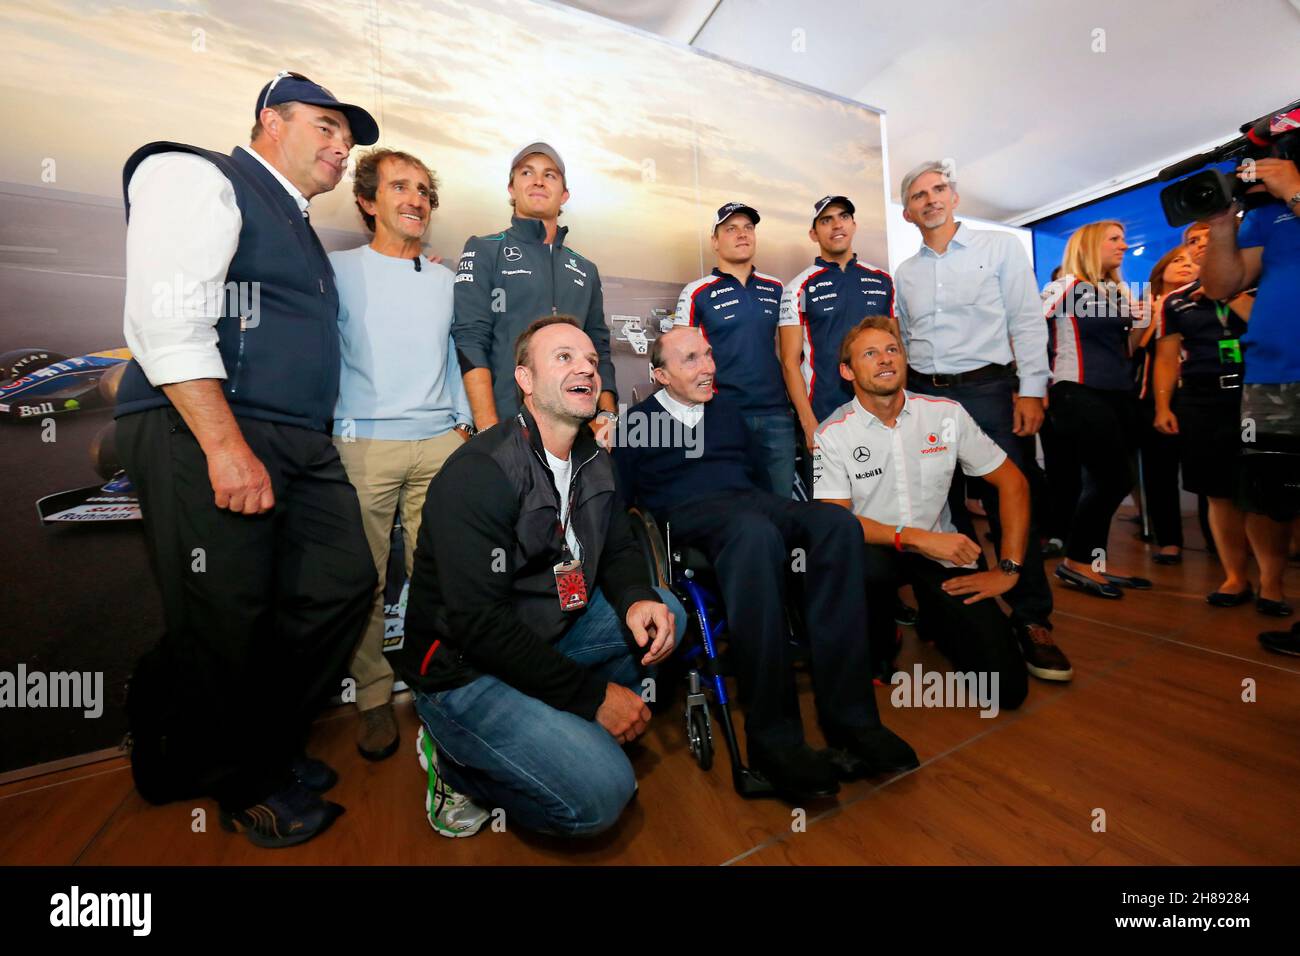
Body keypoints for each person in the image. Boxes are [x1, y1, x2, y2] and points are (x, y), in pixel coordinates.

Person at [114, 72, 380, 846]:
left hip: (297, 438)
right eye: (325, 127)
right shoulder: (198, 173)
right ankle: (244, 784)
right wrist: (224, 445)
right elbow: (165, 318)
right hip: (206, 424)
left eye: (348, 136)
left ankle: (236, 742)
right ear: (270, 122)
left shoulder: (298, 225)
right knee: (226, 614)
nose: (341, 146)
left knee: (339, 584)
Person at [396, 316, 684, 838]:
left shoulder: (595, 458)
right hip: (466, 673)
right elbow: (479, 626)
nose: (585, 369)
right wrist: (592, 698)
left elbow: (618, 545)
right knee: (601, 796)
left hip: (547, 630)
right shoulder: (480, 472)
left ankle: (566, 732)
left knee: (669, 612)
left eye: (592, 361)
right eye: (564, 358)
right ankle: (456, 766)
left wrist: (638, 596)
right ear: (525, 380)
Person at [617, 326, 918, 802]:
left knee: (837, 526)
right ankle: (774, 741)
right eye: (691, 359)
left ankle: (852, 722)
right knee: (753, 532)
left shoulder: (729, 413)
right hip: (688, 517)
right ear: (660, 374)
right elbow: (626, 506)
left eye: (709, 355)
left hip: (749, 504)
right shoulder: (637, 423)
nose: (709, 366)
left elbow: (760, 482)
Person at [893, 160, 1071, 681]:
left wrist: (1032, 389)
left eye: (939, 189)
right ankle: (957, 609)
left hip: (990, 390)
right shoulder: (905, 273)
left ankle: (1033, 619)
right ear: (907, 213)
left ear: (953, 196)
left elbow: (1025, 320)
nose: (931, 199)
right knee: (939, 508)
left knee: (1009, 500)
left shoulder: (1001, 249)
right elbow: (904, 341)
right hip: (925, 395)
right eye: (919, 195)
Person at [330, 148, 476, 761]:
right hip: (363, 442)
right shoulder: (335, 270)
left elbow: (455, 354)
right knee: (364, 579)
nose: (415, 199)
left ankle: (439, 688)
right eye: (399, 187)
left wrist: (465, 426)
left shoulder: (445, 279)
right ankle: (372, 699)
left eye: (423, 190)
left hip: (441, 441)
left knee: (443, 577)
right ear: (367, 201)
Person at [814, 317, 1032, 705]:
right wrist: (913, 537)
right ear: (847, 371)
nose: (885, 359)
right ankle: (882, 635)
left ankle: (935, 615)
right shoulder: (832, 434)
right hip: (876, 551)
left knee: (1006, 688)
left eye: (892, 350)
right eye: (870, 353)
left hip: (940, 551)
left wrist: (1009, 569)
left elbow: (1013, 483)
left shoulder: (946, 414)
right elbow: (835, 522)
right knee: (865, 567)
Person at [1200, 152, 1300, 648]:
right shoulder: (1264, 215)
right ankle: (1272, 587)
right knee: (1269, 494)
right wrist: (1222, 225)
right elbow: (1220, 285)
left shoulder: (1289, 197)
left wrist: (1296, 193)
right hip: (1269, 377)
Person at [452, 142, 618, 437]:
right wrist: (489, 430)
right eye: (527, 172)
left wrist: (606, 415)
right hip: (508, 426)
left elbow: (599, 348)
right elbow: (470, 340)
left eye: (550, 175)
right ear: (512, 188)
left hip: (576, 432)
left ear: (564, 195)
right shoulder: (484, 249)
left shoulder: (585, 269)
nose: (539, 180)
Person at [1043, 220, 1152, 599]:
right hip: (1077, 392)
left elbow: (1130, 348)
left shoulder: (1114, 291)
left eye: (1124, 238)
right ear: (1090, 244)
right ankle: (1077, 562)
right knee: (1114, 479)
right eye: (1115, 239)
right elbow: (1024, 331)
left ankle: (1093, 562)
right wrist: (1030, 387)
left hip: (1116, 394)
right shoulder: (1065, 286)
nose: (1123, 245)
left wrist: (1143, 317)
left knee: (1104, 480)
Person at [1151, 247, 1255, 606]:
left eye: (1209, 238)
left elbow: (1275, 330)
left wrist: (1228, 293)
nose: (1201, 246)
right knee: (1217, 490)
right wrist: (1163, 405)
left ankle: (1272, 579)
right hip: (1201, 399)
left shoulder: (1260, 285)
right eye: (1193, 241)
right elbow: (1166, 357)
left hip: (1259, 394)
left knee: (1269, 485)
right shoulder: (1175, 301)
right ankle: (1236, 578)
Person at [675, 203, 793, 496]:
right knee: (732, 504)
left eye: (748, 228)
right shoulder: (696, 292)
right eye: (731, 229)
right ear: (714, 241)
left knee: (782, 506)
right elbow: (679, 359)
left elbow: (791, 356)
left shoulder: (777, 288)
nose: (742, 234)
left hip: (776, 416)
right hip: (721, 414)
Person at [779, 195, 895, 445]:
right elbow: (789, 362)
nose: (837, 225)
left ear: (854, 225)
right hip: (825, 417)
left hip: (880, 413)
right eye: (826, 220)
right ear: (813, 233)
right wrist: (808, 423)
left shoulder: (883, 280)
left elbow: (897, 350)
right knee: (828, 487)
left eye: (844, 217)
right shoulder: (797, 288)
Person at [1134, 247, 1195, 564]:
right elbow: (1132, 351)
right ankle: (1169, 540)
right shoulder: (1145, 306)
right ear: (1160, 270)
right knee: (1160, 474)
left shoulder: (1207, 302)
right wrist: (1154, 317)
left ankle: (1220, 541)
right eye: (1177, 260)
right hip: (1151, 398)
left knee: (1210, 472)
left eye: (1192, 261)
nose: (1186, 265)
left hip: (1199, 395)